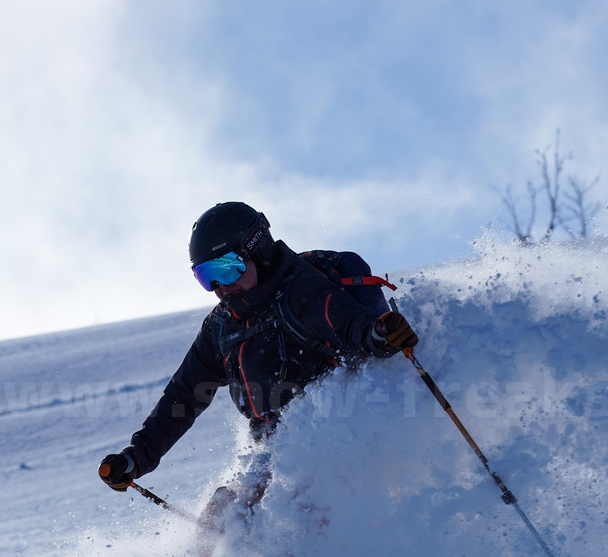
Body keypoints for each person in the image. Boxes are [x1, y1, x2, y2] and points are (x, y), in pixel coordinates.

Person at [98, 201, 418, 533]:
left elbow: (347, 321)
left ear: (259, 252)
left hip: (334, 449)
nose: (221, 287)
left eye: (227, 269)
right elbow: (184, 395)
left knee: (291, 534)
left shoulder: (299, 291)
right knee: (218, 527)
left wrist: (379, 334)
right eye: (206, 276)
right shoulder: (221, 328)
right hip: (273, 455)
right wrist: (138, 456)